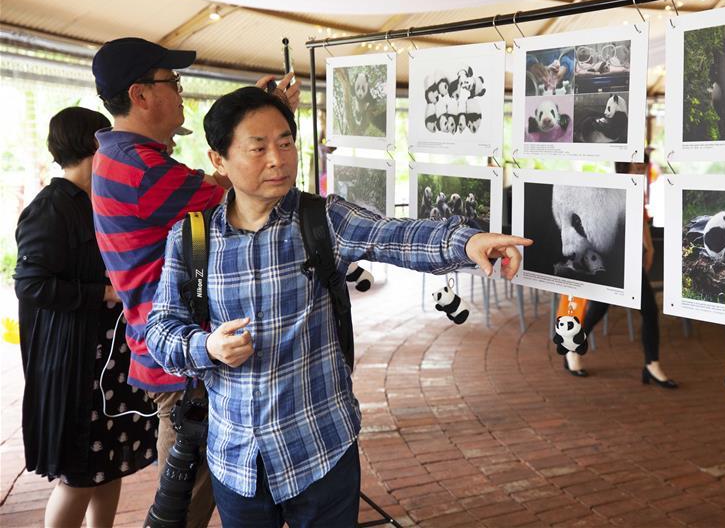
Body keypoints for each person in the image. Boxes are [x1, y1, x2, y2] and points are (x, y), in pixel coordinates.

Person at [145, 87, 532, 527]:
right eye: (258, 148)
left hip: (320, 447)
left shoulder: (321, 219)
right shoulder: (193, 239)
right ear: (219, 160)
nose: (277, 158)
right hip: (236, 461)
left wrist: (468, 241)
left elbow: (395, 236)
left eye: (285, 143)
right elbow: (160, 330)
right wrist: (207, 347)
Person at [90, 36, 300, 528]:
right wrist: (265, 118)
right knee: (186, 500)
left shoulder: (119, 155)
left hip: (165, 346)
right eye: (173, 82)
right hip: (183, 357)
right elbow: (244, 188)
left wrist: (256, 115)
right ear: (141, 95)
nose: (181, 92)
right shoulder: (145, 171)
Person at [14, 107, 158, 528]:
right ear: (95, 144)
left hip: (106, 363)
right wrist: (105, 292)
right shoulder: (52, 206)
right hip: (77, 364)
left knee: (108, 464)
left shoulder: (95, 199)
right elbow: (31, 284)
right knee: (78, 474)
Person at [564, 161, 677, 389]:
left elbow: (641, 217)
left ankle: (652, 363)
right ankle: (573, 347)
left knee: (649, 310)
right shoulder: (610, 187)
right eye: (637, 163)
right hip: (612, 257)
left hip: (633, 257)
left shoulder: (638, 186)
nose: (642, 166)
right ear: (625, 165)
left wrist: (649, 246)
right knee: (599, 307)